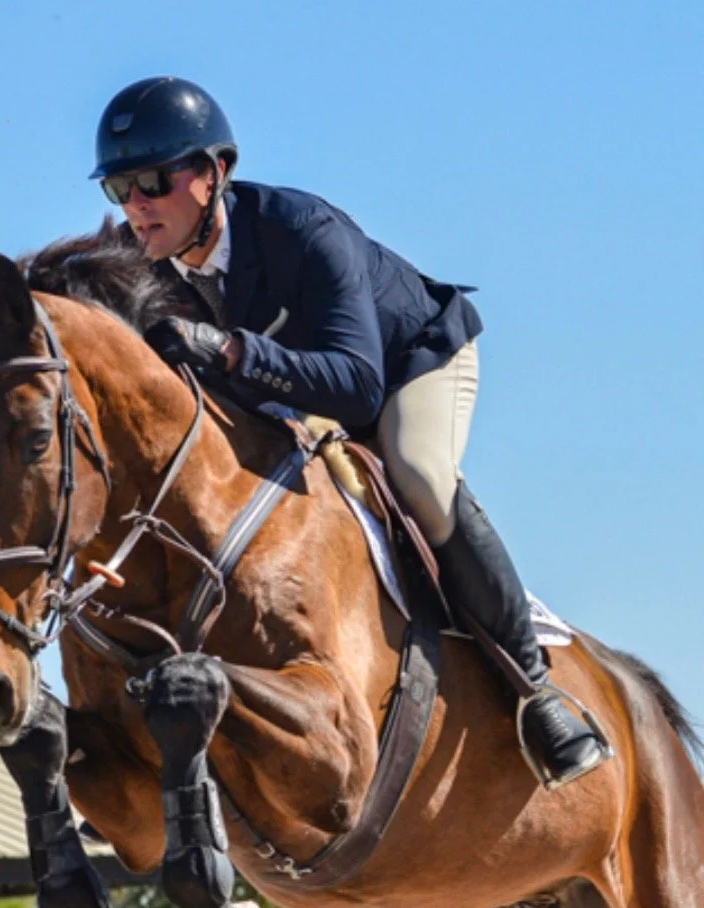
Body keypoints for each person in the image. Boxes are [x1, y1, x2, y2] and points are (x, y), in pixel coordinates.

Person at [91, 76, 610, 789]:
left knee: (417, 474)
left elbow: (358, 385)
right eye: (120, 188)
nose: (136, 206)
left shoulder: (302, 230)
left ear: (212, 175)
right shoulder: (136, 266)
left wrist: (232, 350)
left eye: (152, 180)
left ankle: (535, 692)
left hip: (405, 365)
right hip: (290, 397)